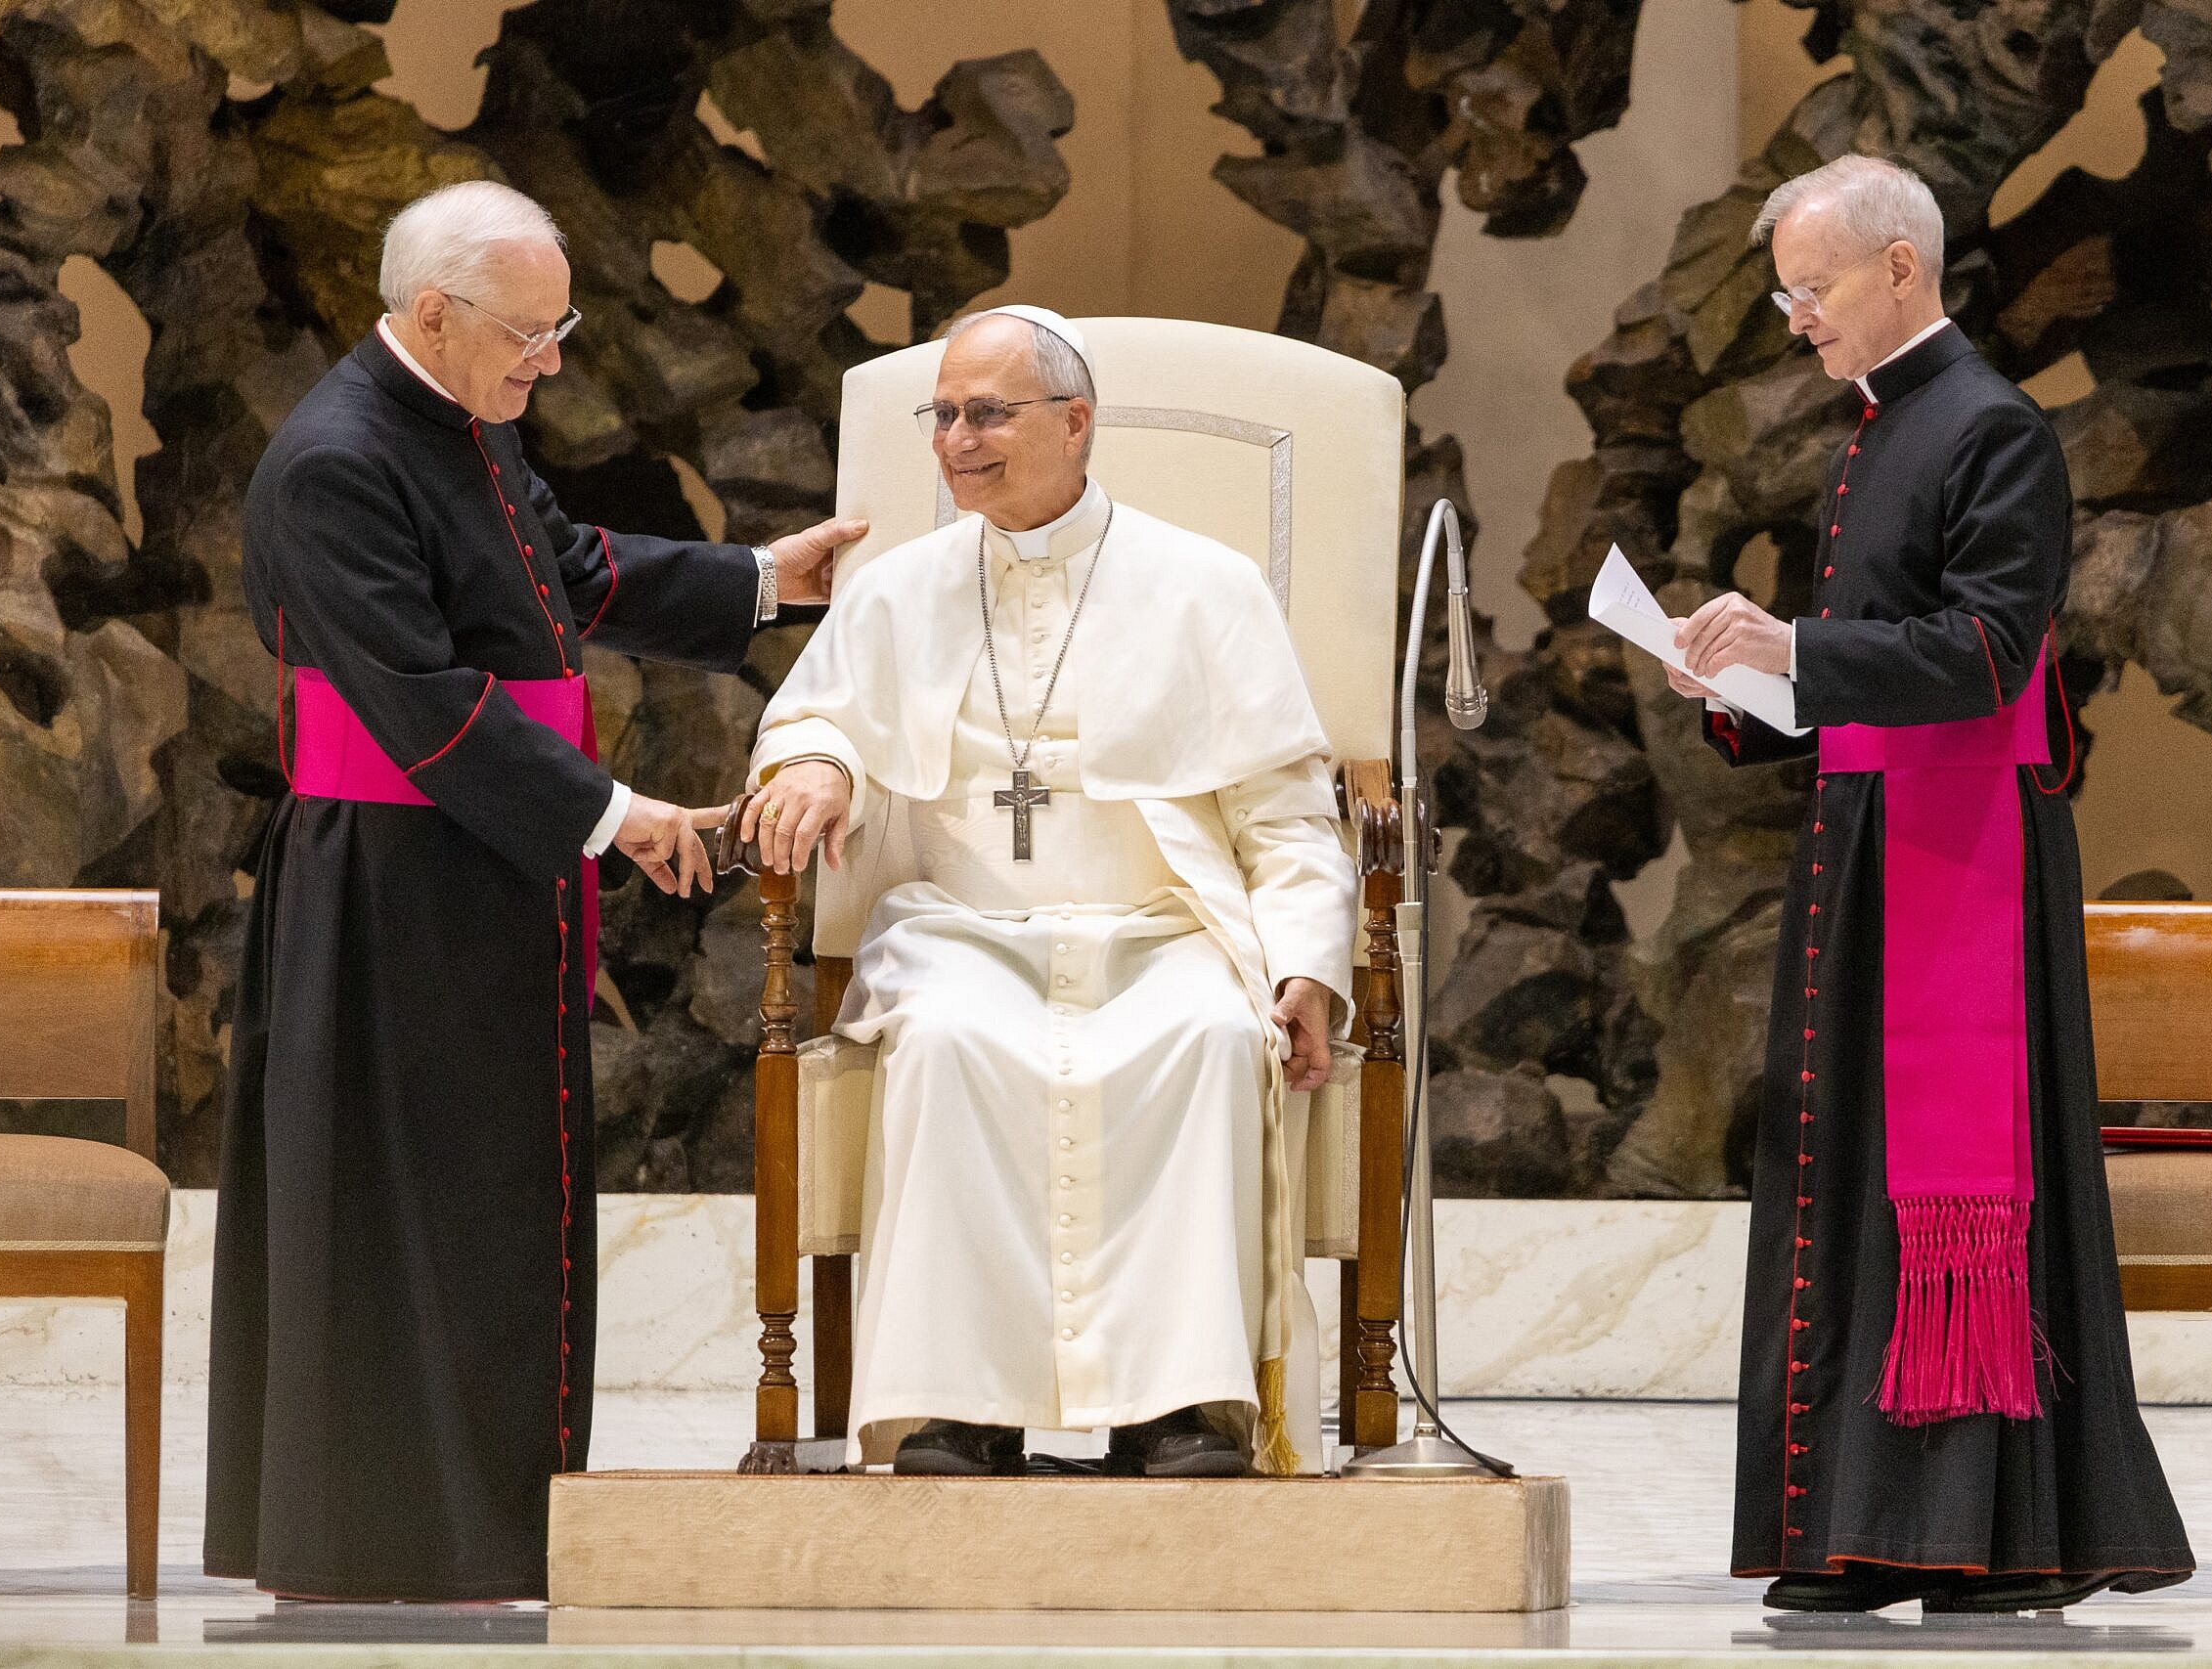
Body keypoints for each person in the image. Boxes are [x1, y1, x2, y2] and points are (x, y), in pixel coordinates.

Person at [203, 179, 863, 1602]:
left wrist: (761, 579)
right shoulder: (338, 459)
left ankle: (496, 1528)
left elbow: (561, 574)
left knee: (498, 1201)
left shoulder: (463, 419)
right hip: (393, 891)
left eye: (560, 327)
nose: (552, 358)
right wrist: (616, 815)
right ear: (431, 312)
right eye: (531, 330)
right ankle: (390, 1540)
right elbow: (421, 702)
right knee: (419, 1209)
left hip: (485, 863)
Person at [1667, 155, 2193, 1613]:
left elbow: (1985, 654)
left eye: (1811, 286)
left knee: (1952, 1191)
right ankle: (1847, 1528)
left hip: (1959, 861)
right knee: (1842, 1188)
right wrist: (1741, 682)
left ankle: (1984, 1536)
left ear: (1899, 267)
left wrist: (1796, 649)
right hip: (1861, 845)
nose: (1793, 315)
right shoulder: (1873, 430)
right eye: (1784, 289)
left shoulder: (1992, 426)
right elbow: (1867, 657)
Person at [735, 305, 1353, 1478]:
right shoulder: (896, 589)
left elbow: (1286, 808)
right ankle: (954, 1407)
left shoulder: (1206, 588)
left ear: (1075, 424)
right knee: (952, 1043)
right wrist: (816, 761)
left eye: (988, 413)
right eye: (945, 415)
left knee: (1210, 1042)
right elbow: (818, 714)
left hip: (1165, 928)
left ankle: (1177, 1408)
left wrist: (1305, 966)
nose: (958, 439)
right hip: (960, 931)